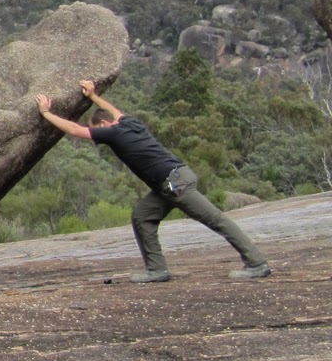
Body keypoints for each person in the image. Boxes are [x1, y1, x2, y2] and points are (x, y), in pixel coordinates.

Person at [34, 80, 271, 282]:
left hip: (175, 182)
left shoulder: (114, 132)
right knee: (143, 217)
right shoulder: (130, 123)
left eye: (98, 130)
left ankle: (256, 263)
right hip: (171, 182)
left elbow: (76, 131)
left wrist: (46, 113)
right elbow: (115, 112)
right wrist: (94, 96)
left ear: (103, 126)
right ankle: (156, 269)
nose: (99, 135)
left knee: (215, 219)